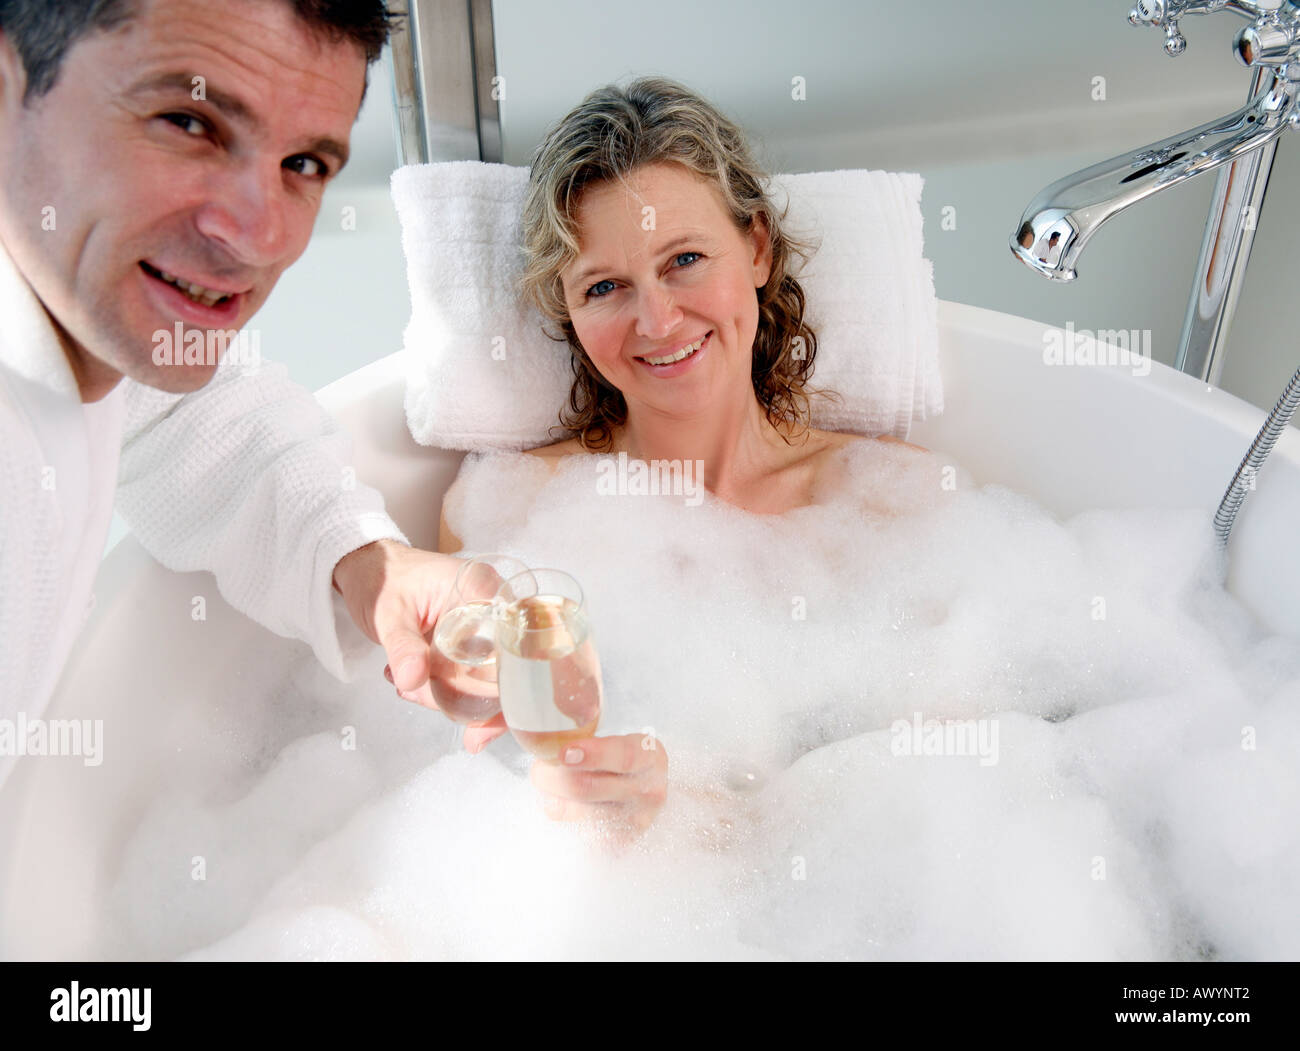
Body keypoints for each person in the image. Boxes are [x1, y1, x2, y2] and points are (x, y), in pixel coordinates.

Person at [435, 77, 926, 833]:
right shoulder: (513, 514)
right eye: (604, 286)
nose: (658, 320)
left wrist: (706, 809)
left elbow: (931, 796)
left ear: (756, 247)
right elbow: (472, 784)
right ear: (567, 310)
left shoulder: (890, 498)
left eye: (685, 259)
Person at [0, 0, 461, 788]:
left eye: (305, 165)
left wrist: (370, 564)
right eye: (188, 122)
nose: (261, 234)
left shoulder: (82, 314)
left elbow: (191, 412)